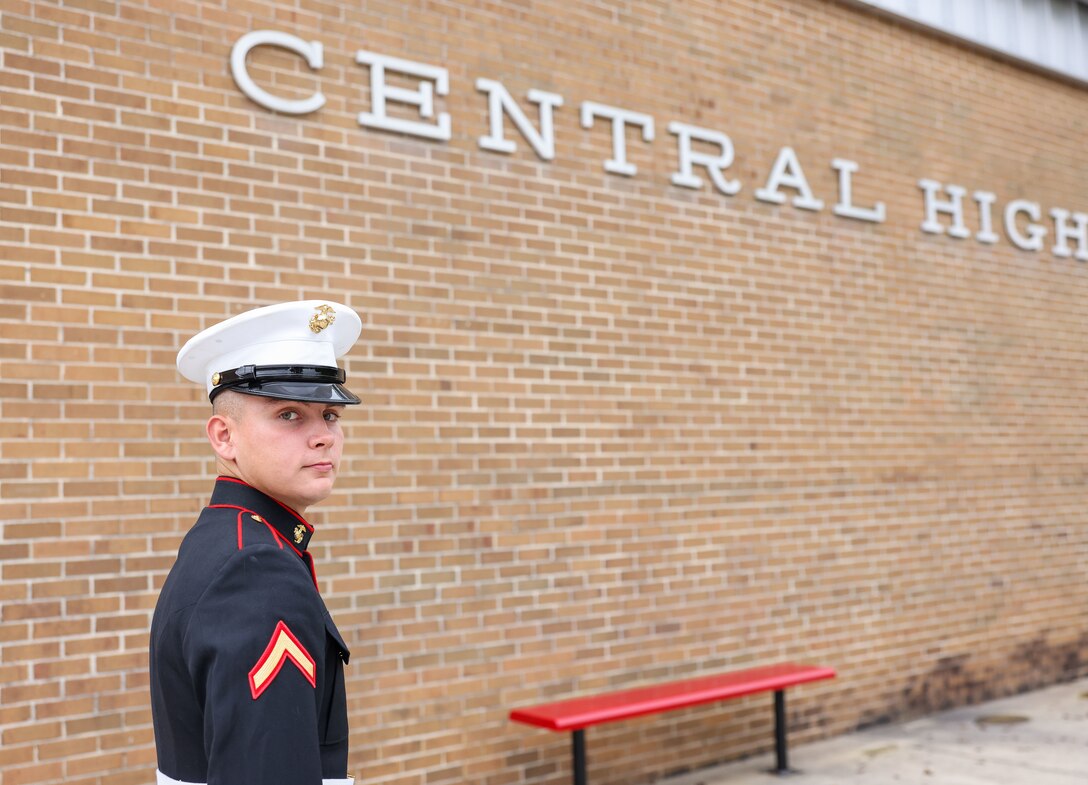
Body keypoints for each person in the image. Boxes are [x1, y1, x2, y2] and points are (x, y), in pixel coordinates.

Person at [150, 300, 362, 785]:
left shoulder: (228, 538)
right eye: (289, 414)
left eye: (330, 414)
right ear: (225, 437)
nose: (323, 436)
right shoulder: (255, 569)